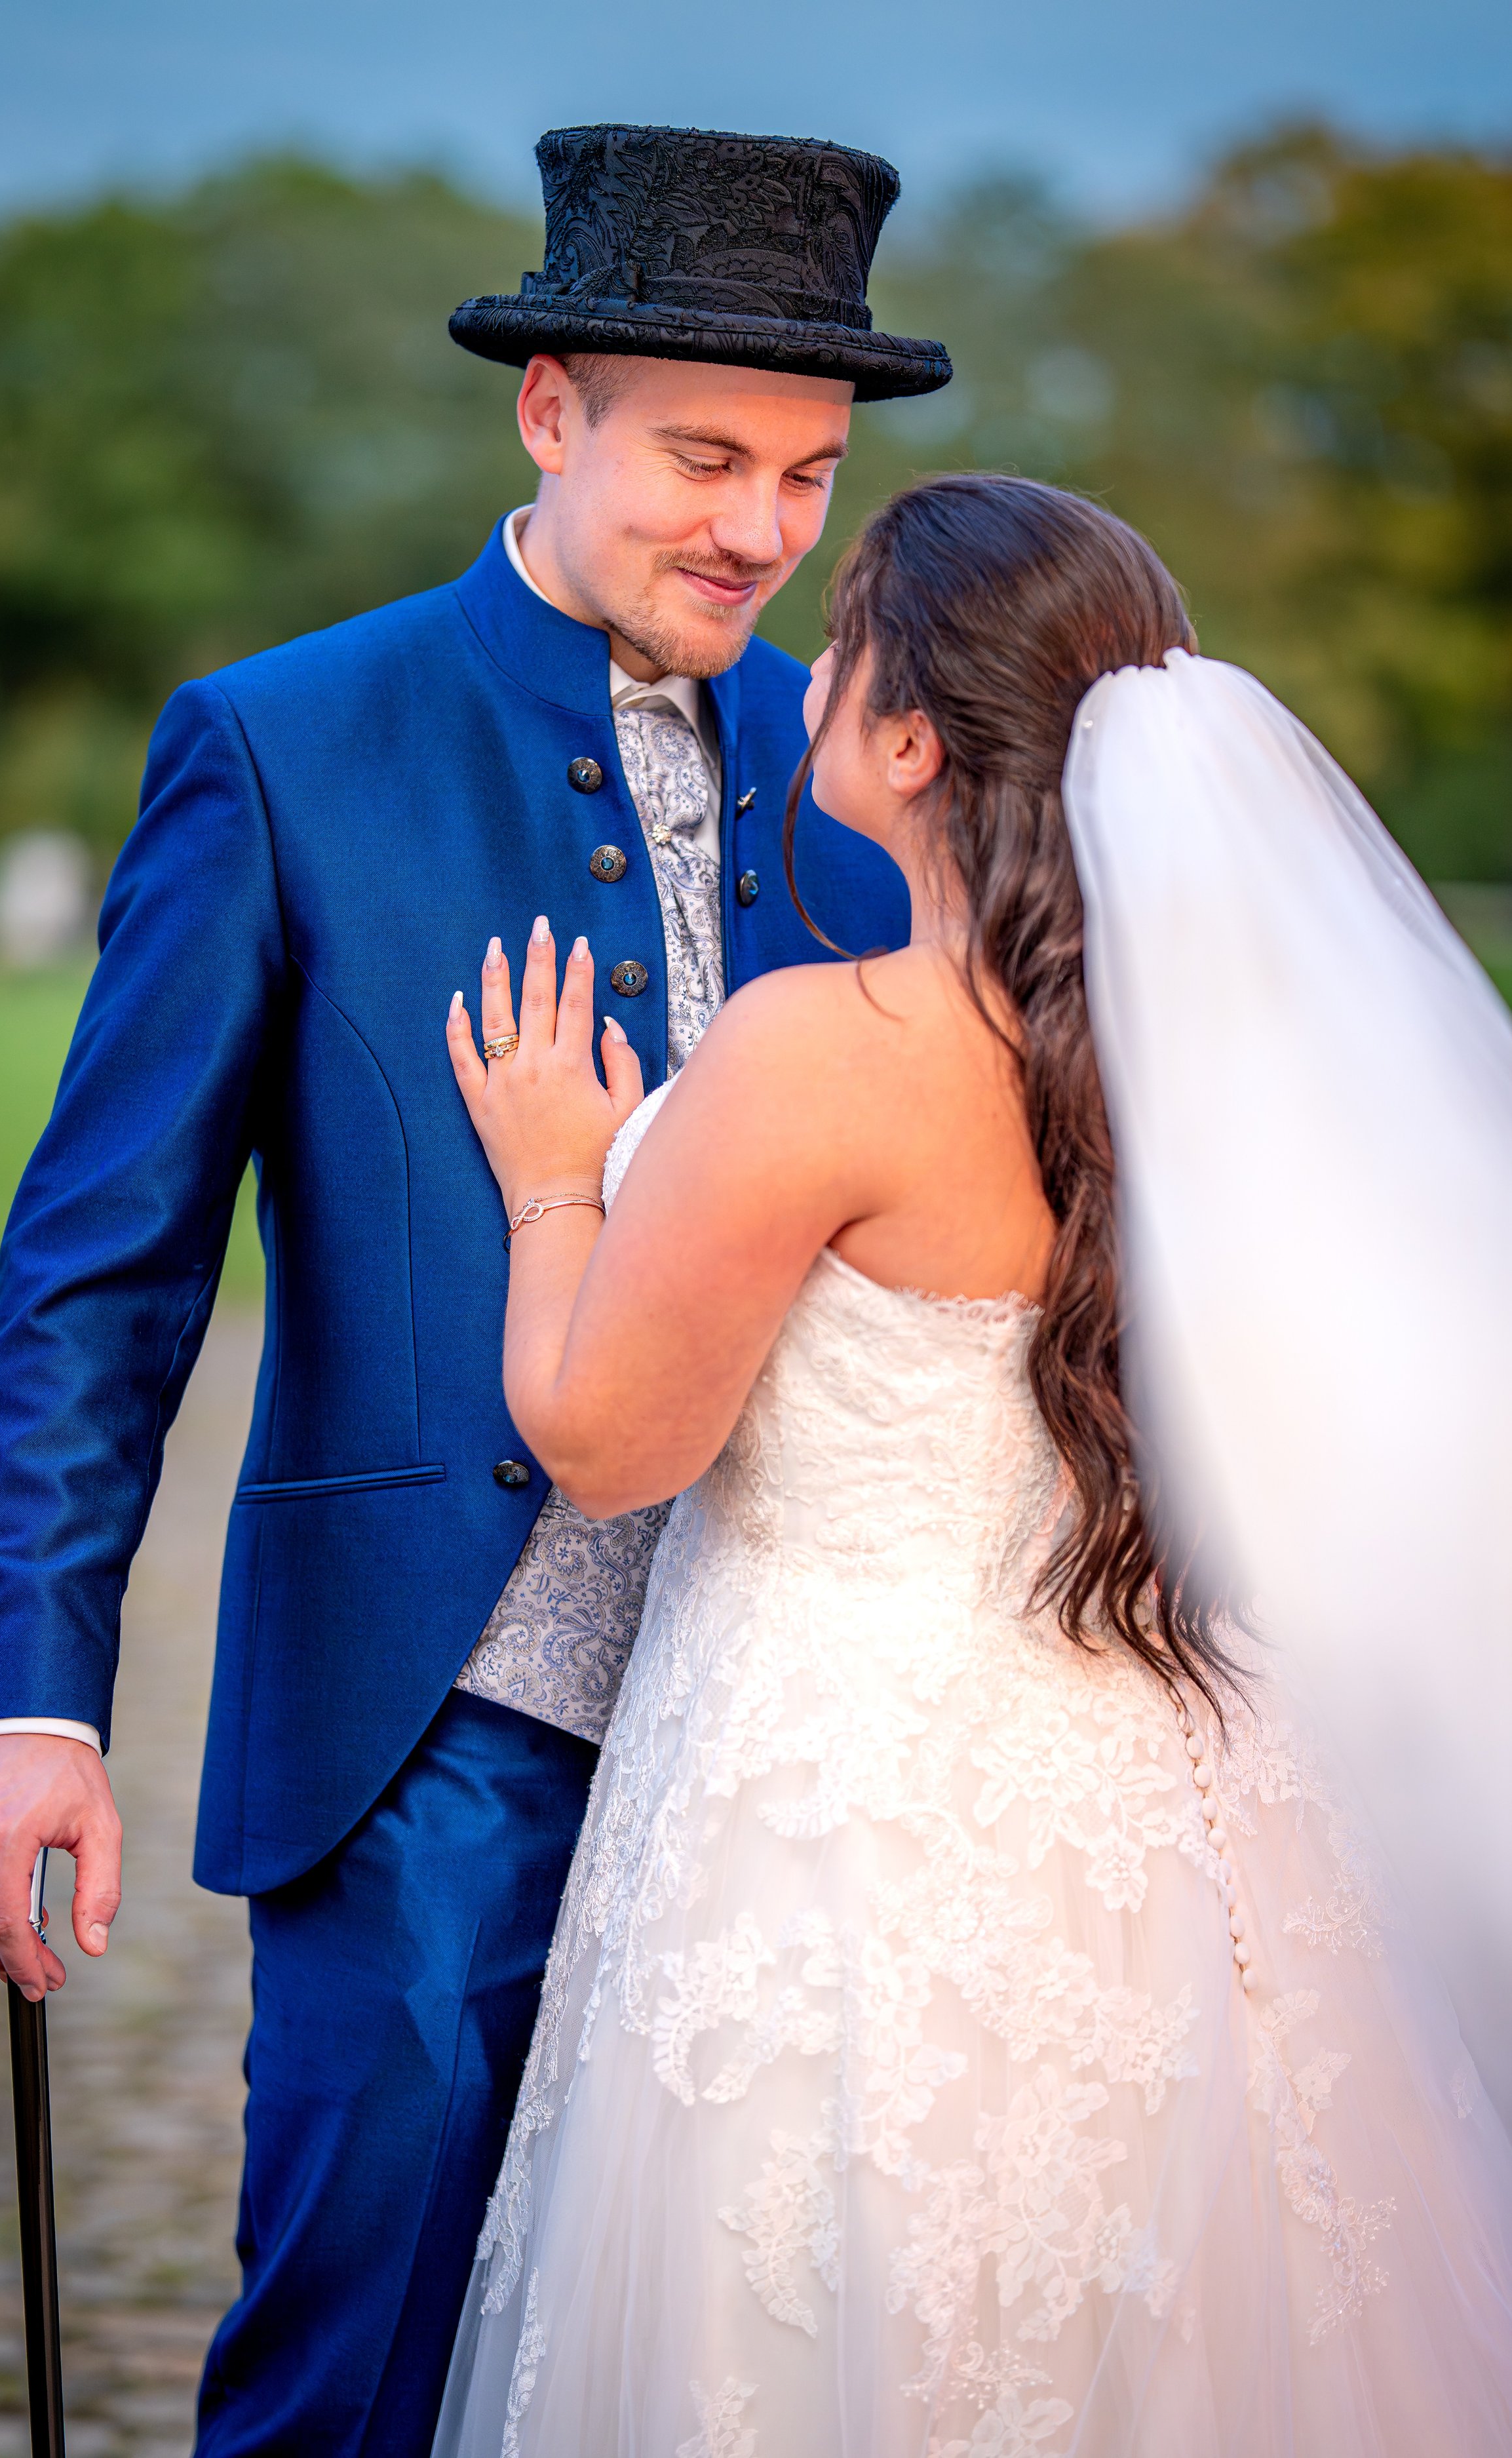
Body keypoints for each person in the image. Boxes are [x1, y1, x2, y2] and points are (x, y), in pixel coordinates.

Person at [0, 125, 949, 2453]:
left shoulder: (878, 769)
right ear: (544, 410)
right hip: (432, 1733)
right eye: (703, 456)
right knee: (350, 2374)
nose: (761, 532)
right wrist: (25, 1696)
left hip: (815, 1742)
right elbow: (101, 1274)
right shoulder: (283, 747)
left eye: (804, 475)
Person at [435, 473, 1512, 2454]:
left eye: (843, 648)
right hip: (1166, 1804)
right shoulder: (1209, 1065)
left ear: (911, 736)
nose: (813, 673)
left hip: (833, 1804)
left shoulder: (823, 1050)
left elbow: (606, 1442)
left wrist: (549, 1185)